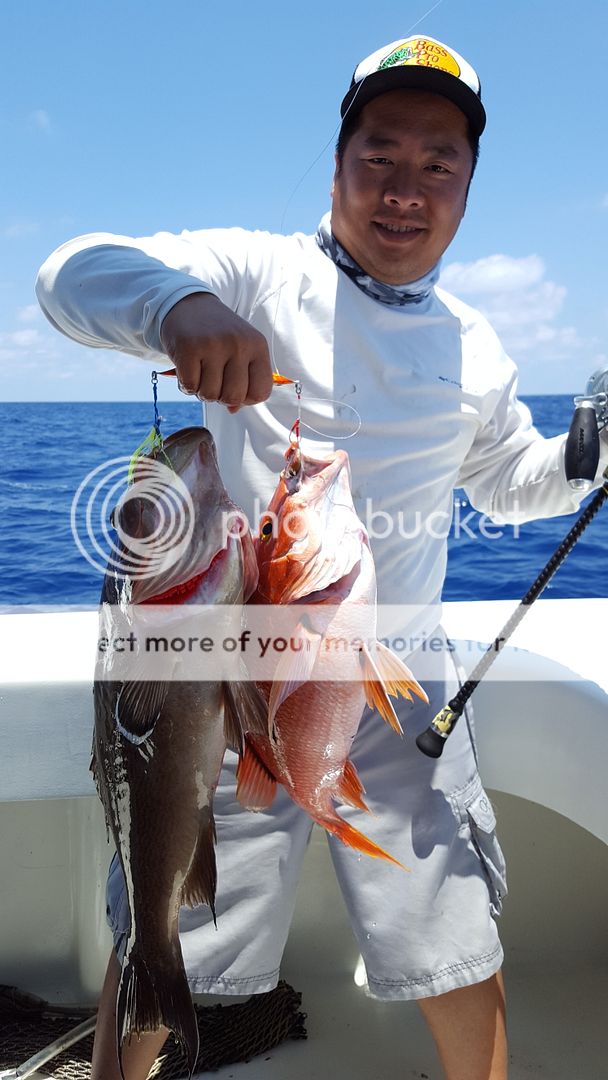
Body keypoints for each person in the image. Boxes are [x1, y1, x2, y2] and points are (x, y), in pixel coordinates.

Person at [36, 34, 608, 1080]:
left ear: (468, 187)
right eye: (377, 155)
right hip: (226, 685)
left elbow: (504, 483)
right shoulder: (254, 271)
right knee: (166, 933)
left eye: (437, 163)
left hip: (399, 690)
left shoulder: (477, 347)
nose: (404, 189)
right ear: (336, 160)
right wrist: (179, 306)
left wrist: (584, 455)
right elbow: (68, 273)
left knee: (450, 940)